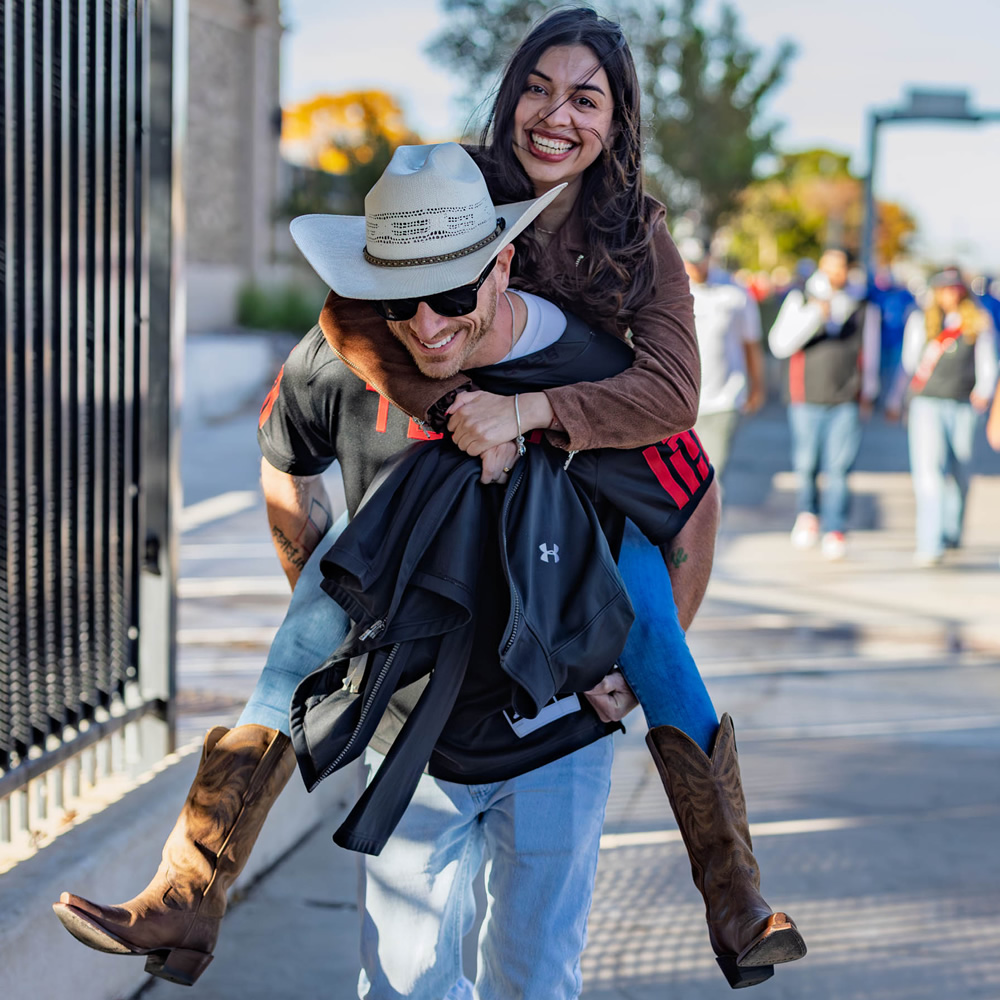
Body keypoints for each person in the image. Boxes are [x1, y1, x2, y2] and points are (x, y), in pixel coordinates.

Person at [55, 7, 804, 991]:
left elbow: (671, 408)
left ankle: (733, 894)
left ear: (617, 122)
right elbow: (347, 315)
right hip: (428, 569)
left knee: (642, 611)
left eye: (586, 97)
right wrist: (455, 403)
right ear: (508, 96)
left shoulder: (631, 234)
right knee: (325, 597)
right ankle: (195, 879)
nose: (555, 115)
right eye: (537, 86)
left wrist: (529, 410)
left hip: (578, 492)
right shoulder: (453, 186)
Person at [768, 247, 881, 560]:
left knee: (840, 467)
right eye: (829, 266)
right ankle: (808, 515)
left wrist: (868, 393)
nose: (835, 273)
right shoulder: (800, 299)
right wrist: (817, 312)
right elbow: (780, 345)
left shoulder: (862, 305)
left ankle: (836, 527)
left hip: (846, 398)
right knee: (806, 463)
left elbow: (869, 353)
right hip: (806, 397)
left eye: (840, 267)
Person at [887, 267, 997, 566]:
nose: (950, 294)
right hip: (927, 402)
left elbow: (988, 362)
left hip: (962, 402)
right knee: (929, 471)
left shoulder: (978, 322)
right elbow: (908, 366)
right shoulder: (920, 321)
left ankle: (952, 529)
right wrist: (895, 399)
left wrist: (983, 391)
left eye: (955, 288)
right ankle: (930, 541)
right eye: (944, 288)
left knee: (960, 469)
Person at [678, 237, 766, 478]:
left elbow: (751, 344)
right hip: (682, 399)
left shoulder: (735, 293)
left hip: (723, 399)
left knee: (711, 477)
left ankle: (712, 516)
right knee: (683, 478)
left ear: (710, 258)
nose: (695, 267)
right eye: (690, 261)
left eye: (700, 261)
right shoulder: (671, 289)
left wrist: (757, 386)